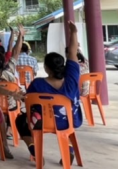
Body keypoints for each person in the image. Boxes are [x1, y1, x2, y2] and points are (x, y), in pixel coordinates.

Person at [19, 23, 83, 161]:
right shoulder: (72, 79)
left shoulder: (37, 84)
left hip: (43, 123)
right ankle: (69, 148)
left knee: (20, 120)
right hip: (69, 121)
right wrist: (73, 32)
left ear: (46, 68)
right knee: (65, 123)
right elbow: (72, 53)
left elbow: (27, 100)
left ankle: (33, 148)